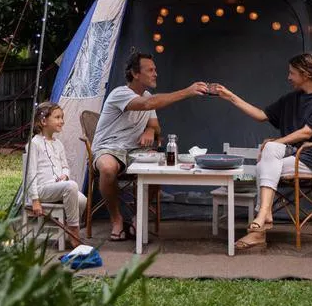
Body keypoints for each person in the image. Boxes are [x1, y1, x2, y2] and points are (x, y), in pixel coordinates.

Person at [215, 52, 312, 251]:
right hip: (289, 156)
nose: (288, 77)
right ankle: (264, 217)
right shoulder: (292, 99)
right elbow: (261, 115)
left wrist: (276, 142)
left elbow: (307, 132)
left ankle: (260, 225)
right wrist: (231, 97)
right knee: (268, 159)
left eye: (292, 73)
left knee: (265, 161)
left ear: (305, 74)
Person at [92, 51, 208, 241]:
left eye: (155, 70)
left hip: (136, 151)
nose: (156, 73)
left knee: (158, 168)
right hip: (109, 148)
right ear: (135, 74)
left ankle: (139, 217)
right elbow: (146, 104)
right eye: (151, 70)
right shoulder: (120, 94)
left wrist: (150, 131)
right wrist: (187, 91)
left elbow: (156, 125)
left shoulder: (148, 96)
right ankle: (117, 220)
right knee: (107, 168)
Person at [25, 101, 87, 248]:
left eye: (62, 117)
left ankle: (68, 225)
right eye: (57, 117)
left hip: (56, 187)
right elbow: (30, 173)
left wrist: (65, 175)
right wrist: (35, 200)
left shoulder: (58, 144)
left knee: (83, 200)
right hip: (41, 190)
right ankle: (74, 231)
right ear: (44, 121)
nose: (62, 121)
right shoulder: (34, 144)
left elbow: (65, 167)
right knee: (71, 186)